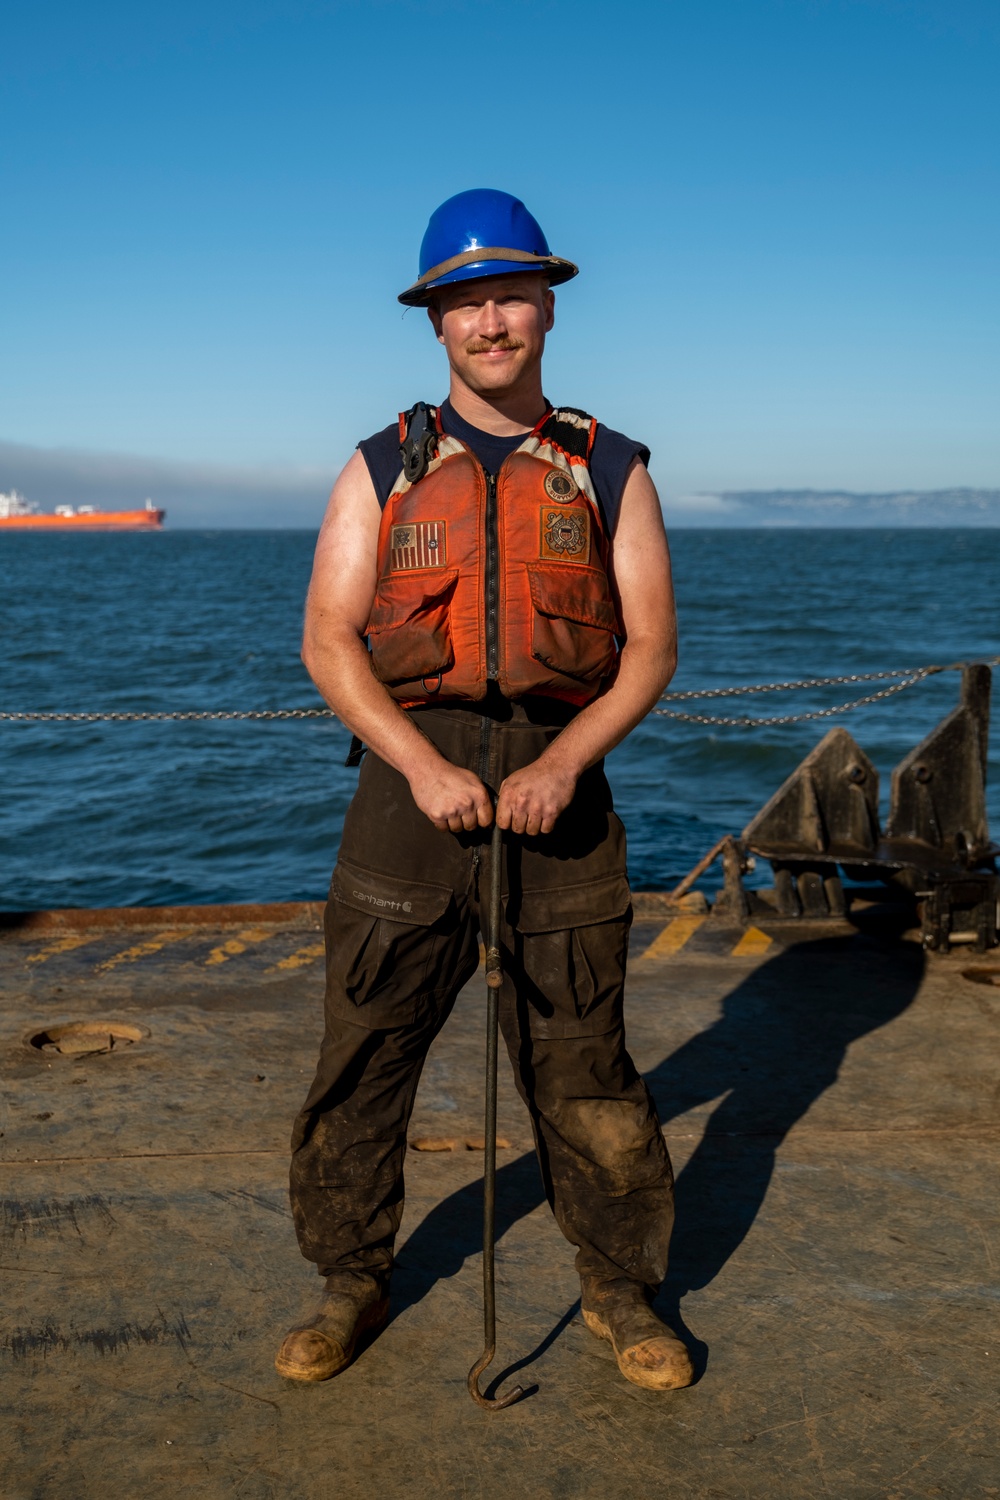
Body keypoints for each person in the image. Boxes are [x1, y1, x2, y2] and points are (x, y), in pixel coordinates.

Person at [276, 189, 693, 1393]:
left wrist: (565, 763)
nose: (491, 321)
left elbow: (653, 647)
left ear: (547, 306)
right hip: (414, 787)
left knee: (585, 1061)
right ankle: (350, 1279)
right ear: (436, 323)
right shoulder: (380, 466)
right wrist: (421, 765)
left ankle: (621, 1292)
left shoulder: (609, 466)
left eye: (509, 295)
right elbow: (327, 638)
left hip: (565, 785)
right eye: (466, 303)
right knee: (362, 1051)